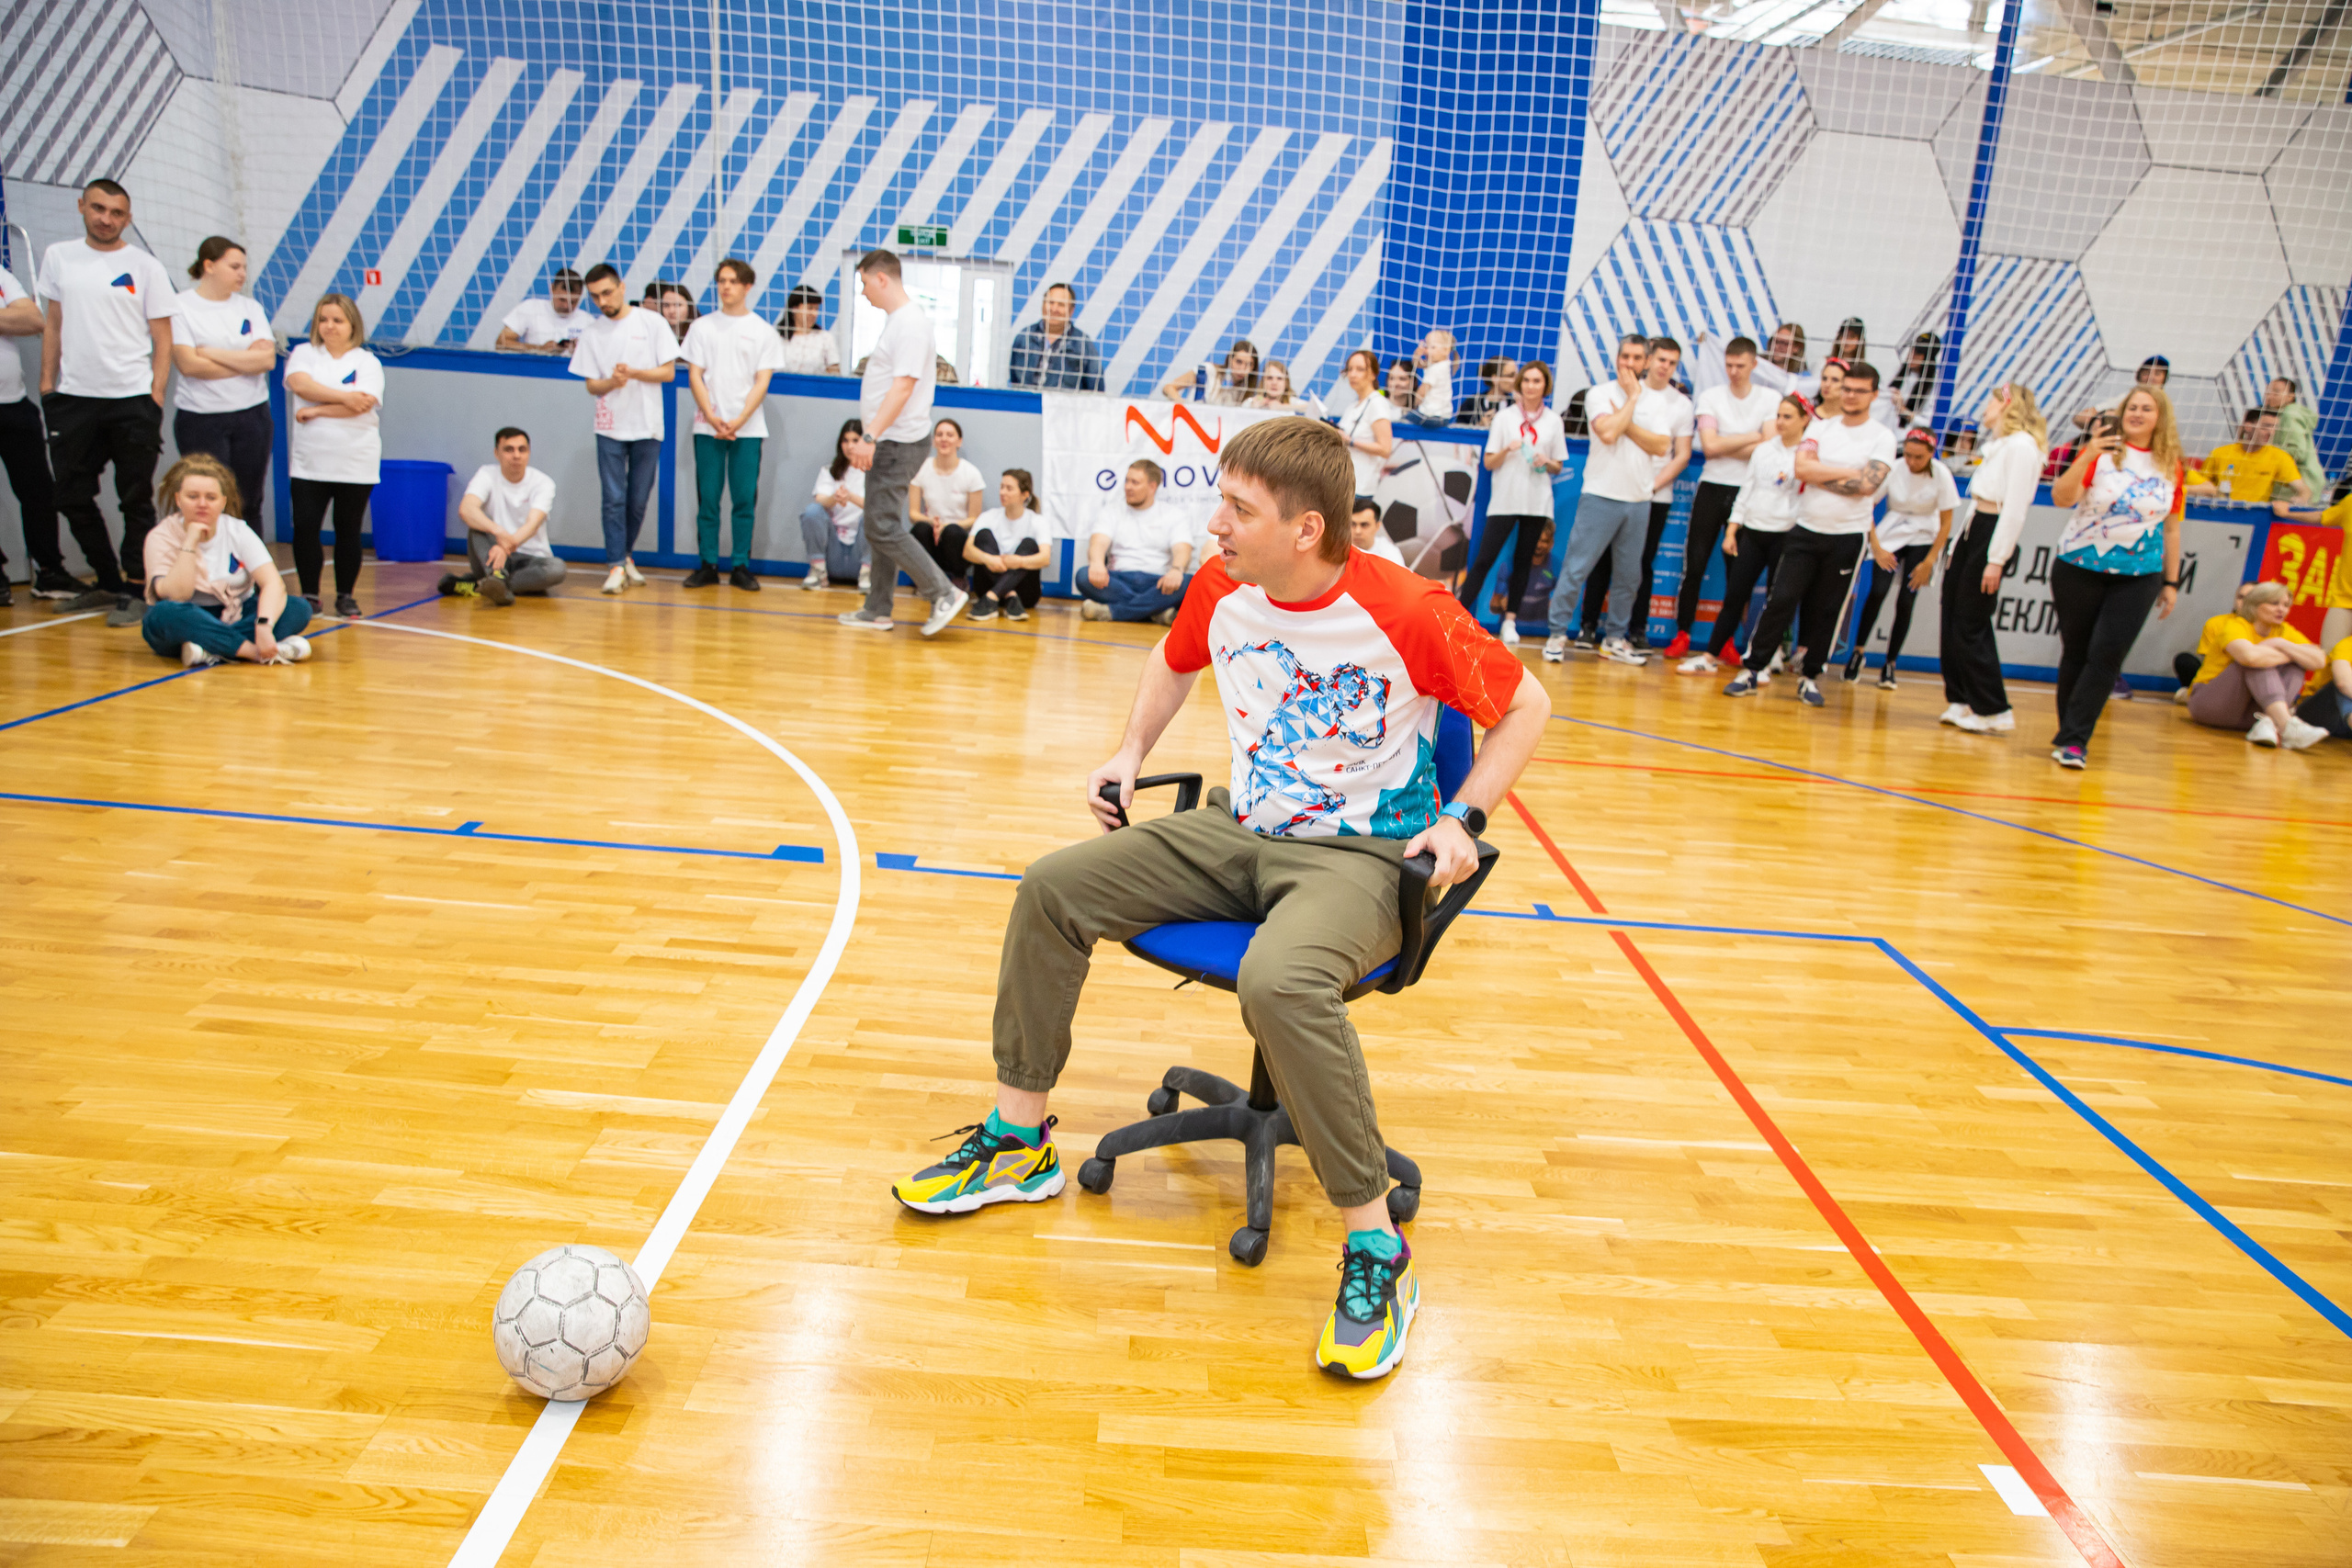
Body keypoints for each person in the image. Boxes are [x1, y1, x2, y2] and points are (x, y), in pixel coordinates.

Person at [888, 417, 1550, 1381]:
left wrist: (1464, 818)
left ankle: (1375, 1248)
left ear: (1308, 531)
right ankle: (1019, 1141)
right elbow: (1172, 660)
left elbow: (1524, 705)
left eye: (1237, 509)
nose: (1216, 523)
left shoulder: (1405, 607)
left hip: (1359, 855)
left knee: (1277, 983)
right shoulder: (1224, 582)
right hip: (1241, 829)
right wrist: (1128, 755)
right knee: (1051, 888)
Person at [38, 177, 175, 624]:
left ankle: (136, 587)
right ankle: (107, 582)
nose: (106, 219)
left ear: (127, 219)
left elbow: (162, 335)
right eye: (98, 209)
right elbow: (53, 322)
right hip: (73, 399)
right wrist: (47, 384)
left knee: (134, 498)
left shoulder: (145, 266)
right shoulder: (59, 256)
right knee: (70, 494)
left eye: (116, 213)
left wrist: (155, 394)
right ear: (82, 207)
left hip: (132, 399)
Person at [1723, 361, 1895, 707]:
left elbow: (1868, 485)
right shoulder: (1822, 428)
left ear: (1874, 395)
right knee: (1781, 600)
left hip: (1848, 536)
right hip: (1805, 529)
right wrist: (1848, 473)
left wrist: (1823, 474)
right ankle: (1752, 670)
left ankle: (1810, 676)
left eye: (1860, 391)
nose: (1851, 395)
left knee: (1828, 609)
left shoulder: (1883, 436)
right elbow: (1802, 469)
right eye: (1847, 388)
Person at [2043, 384, 2187, 769]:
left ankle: (2075, 740)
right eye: (2132, 407)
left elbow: (2172, 528)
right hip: (2078, 566)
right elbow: (2062, 497)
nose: (2137, 413)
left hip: (2140, 575)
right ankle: (2069, 733)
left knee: (2107, 654)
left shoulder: (2171, 464)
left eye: (2147, 408)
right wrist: (2089, 452)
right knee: (2076, 652)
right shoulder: (2100, 453)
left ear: (2161, 418)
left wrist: (2171, 583)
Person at [837, 249, 967, 637]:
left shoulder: (910, 324)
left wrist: (870, 436)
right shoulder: (900, 323)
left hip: (895, 441)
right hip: (890, 440)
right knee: (883, 523)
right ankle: (877, 608)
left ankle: (942, 592)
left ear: (881, 279)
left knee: (880, 526)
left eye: (863, 283)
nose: (862, 293)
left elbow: (903, 387)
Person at [1544, 334, 1669, 668]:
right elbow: (1608, 433)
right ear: (1616, 359)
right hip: (1600, 494)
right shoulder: (1599, 394)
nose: (1629, 363)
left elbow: (1660, 447)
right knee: (1576, 568)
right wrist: (1631, 401)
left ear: (1646, 362)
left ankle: (1614, 638)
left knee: (1629, 577)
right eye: (1624, 356)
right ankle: (1556, 634)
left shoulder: (1658, 402)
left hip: (1640, 499)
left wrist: (1625, 419)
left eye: (1636, 357)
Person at [1939, 382, 2045, 735]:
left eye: (1990, 400)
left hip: (1992, 531)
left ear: (2006, 404)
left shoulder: (2022, 447)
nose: (1983, 407)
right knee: (1953, 615)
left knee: (1971, 622)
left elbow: (2015, 509)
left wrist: (1996, 558)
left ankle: (1994, 708)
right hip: (1976, 527)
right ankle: (1962, 698)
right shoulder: (2000, 446)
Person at [139, 452, 311, 666]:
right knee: (164, 614)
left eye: (211, 498)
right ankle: (249, 651)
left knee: (298, 608)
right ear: (178, 499)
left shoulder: (236, 530)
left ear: (223, 502)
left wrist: (264, 626)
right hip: (187, 618)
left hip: (235, 612)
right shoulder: (160, 536)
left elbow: (272, 583)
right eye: (193, 497)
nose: (202, 504)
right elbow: (176, 595)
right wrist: (190, 542)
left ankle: (209, 650)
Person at [569, 262, 678, 596]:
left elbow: (668, 373)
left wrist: (633, 374)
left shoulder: (652, 323)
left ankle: (626, 554)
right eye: (595, 296)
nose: (602, 301)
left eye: (607, 292)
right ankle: (616, 563)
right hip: (609, 426)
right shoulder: (592, 333)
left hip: (647, 425)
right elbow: (591, 385)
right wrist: (611, 382)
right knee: (613, 499)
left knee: (637, 500)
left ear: (622, 288)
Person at [1678, 393, 1807, 676]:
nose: (1781, 422)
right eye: (1779, 416)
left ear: (1804, 420)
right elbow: (1746, 490)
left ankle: (1767, 657)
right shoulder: (1764, 449)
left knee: (1778, 600)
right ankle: (1710, 656)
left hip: (1786, 535)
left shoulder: (1807, 455)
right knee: (1735, 595)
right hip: (1753, 531)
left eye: (1788, 417)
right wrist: (1733, 530)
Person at [679, 256, 785, 592]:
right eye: (721, 281)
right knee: (708, 499)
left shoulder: (763, 331)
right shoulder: (702, 327)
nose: (725, 287)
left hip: (748, 430)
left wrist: (739, 419)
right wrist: (711, 415)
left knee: (743, 500)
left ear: (747, 286)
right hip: (707, 425)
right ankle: (707, 564)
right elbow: (694, 374)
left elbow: (762, 381)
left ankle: (741, 565)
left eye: (732, 281)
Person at [1669, 334, 1777, 660]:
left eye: (1740, 365)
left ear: (1754, 364)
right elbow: (1710, 447)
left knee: (1738, 573)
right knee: (1696, 563)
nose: (1733, 371)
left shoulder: (1770, 398)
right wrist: (1754, 437)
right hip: (1712, 487)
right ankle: (1683, 634)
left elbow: (1770, 445)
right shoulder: (1712, 397)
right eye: (1729, 365)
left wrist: (1735, 442)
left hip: (1748, 491)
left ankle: (1727, 640)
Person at [1580, 335, 1691, 651]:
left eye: (1672, 363)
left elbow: (1674, 452)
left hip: (1652, 494)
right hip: (1615, 489)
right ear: (1649, 361)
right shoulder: (1616, 394)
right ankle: (1589, 625)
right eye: (1661, 360)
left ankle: (1635, 628)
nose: (1665, 367)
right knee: (1599, 560)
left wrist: (1652, 486)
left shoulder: (1678, 404)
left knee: (1640, 565)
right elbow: (1609, 432)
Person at [169, 237, 276, 547]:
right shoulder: (180, 307)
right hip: (201, 418)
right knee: (208, 501)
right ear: (209, 266)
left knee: (248, 500)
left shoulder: (250, 307)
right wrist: (245, 362)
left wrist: (212, 353)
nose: (242, 273)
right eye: (234, 266)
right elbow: (189, 365)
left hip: (252, 416)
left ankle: (251, 577)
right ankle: (209, 574)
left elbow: (266, 360)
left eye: (244, 267)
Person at [282, 293, 383, 618]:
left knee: (348, 529)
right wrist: (343, 399)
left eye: (337, 320)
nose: (329, 326)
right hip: (310, 462)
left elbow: (363, 405)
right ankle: (310, 594)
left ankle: (345, 596)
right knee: (306, 527)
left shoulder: (367, 362)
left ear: (352, 324)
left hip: (355, 461)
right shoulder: (303, 354)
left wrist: (316, 411)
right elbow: (301, 385)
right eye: (323, 319)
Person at [1461, 361, 1564, 649]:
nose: (1532, 386)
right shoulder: (1504, 418)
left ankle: (1510, 621)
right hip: (1505, 500)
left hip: (1536, 502)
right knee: (1484, 559)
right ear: (1520, 384)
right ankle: (1456, 614)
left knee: (1524, 562)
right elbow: (1489, 462)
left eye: (1537, 381)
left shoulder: (1553, 421)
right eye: (1527, 380)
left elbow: (1558, 466)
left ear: (1545, 386)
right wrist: (1508, 448)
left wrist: (1547, 461)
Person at [1845, 428, 1955, 688]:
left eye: (1918, 457)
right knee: (1877, 592)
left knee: (1907, 601)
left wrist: (1929, 561)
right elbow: (1867, 506)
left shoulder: (1941, 474)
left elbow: (1946, 522)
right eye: (1907, 455)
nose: (1912, 462)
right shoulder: (1893, 469)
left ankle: (1890, 664)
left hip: (1923, 537)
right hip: (1891, 534)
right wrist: (1877, 547)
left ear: (1931, 453)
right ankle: (1858, 653)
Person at [2179, 581, 2327, 748]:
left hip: (2251, 715)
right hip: (2209, 706)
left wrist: (2280, 643)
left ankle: (2270, 722)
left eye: (2286, 605)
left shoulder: (2283, 631)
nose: (2282, 609)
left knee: (2296, 665)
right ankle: (2287, 725)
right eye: (2274, 603)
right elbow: (2249, 657)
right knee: (2256, 663)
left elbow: (2319, 660)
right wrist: (2291, 654)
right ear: (2255, 604)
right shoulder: (2236, 625)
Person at [0, 254, 62, 606]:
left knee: (39, 491)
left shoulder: (1, 275)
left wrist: (14, 318)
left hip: (14, 403)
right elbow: (14, 317)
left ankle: (51, 571)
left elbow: (32, 319)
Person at [444, 426, 565, 605]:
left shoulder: (543, 482)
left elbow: (532, 525)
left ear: (528, 453)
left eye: (522, 450)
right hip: (491, 557)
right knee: (477, 527)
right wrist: (499, 532)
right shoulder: (486, 474)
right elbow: (466, 509)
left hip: (530, 559)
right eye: (509, 449)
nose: (516, 455)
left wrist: (505, 547)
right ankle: (495, 578)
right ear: (496, 453)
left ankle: (486, 585)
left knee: (557, 569)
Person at [1078, 459, 1191, 624]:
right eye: (1127, 481)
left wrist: (1177, 569)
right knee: (1083, 576)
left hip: (1158, 583)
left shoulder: (1173, 515)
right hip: (1118, 580)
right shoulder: (1112, 511)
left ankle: (1113, 612)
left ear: (1153, 487)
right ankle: (1156, 612)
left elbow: (1183, 548)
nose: (1128, 487)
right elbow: (1098, 542)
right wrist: (1096, 563)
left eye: (1135, 482)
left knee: (1189, 582)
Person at [2269, 486, 2352, 654]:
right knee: (2328, 657)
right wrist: (2287, 514)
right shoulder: (2350, 503)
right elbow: (2323, 516)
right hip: (2344, 600)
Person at [965, 469, 1050, 622]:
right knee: (983, 534)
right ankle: (1009, 595)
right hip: (986, 586)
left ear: (1024, 494)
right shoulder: (988, 517)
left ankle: (992, 597)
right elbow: (967, 551)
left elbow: (1045, 558)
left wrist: (1019, 561)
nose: (1002, 492)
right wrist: (988, 559)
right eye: (1001, 487)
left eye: (1009, 489)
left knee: (1029, 544)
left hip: (1025, 595)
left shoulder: (1037, 521)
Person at [910, 416, 986, 587]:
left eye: (950, 435)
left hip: (956, 541)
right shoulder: (921, 468)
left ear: (959, 441)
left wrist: (945, 526)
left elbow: (975, 518)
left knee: (952, 531)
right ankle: (927, 581)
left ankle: (959, 578)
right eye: (939, 434)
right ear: (933, 441)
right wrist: (933, 522)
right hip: (931, 535)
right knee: (921, 529)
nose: (944, 439)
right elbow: (913, 514)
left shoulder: (971, 473)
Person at [800, 417, 868, 592]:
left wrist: (851, 497)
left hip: (859, 552)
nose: (850, 446)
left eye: (855, 440)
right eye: (845, 441)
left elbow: (877, 506)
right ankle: (818, 570)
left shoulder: (873, 473)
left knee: (874, 517)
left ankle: (867, 574)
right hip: (833, 549)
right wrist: (835, 498)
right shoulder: (829, 471)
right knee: (812, 511)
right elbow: (820, 500)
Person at [2194, 407, 2307, 505]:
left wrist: (2300, 499)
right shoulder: (2220, 454)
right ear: (2248, 427)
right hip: (2220, 511)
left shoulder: (2280, 457)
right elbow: (2202, 486)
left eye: (2274, 428)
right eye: (2266, 427)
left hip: (2254, 515)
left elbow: (2303, 490)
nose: (2271, 432)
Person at [1007, 281, 1102, 391]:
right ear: (1043, 304)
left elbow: (1096, 389)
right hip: (1027, 406)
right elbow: (1014, 379)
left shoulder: (1083, 344)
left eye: (1061, 305)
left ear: (1071, 310)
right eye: (1050, 302)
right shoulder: (1024, 337)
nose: (1054, 309)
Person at [1334, 348, 1395, 500]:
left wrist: (1351, 441)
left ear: (1373, 374)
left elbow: (1385, 449)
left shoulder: (1377, 404)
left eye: (1360, 369)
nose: (1353, 374)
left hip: (1361, 486)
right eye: (1350, 369)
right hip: (1344, 483)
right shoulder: (1352, 406)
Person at [2072, 355, 2168, 434]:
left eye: (2157, 373)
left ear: (2164, 379)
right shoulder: (2125, 398)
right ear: (2138, 376)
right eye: (2146, 373)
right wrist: (2106, 423)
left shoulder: (2167, 406)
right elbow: (2079, 418)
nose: (2151, 377)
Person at [494, 268, 583, 353]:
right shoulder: (531, 308)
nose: (566, 306)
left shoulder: (587, 321)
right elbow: (501, 343)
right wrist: (539, 349)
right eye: (562, 300)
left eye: (572, 302)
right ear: (552, 288)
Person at [2264, 377, 2321, 489]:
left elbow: (2298, 452)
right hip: (2296, 483)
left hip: (2300, 484)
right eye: (2268, 391)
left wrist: (2265, 452)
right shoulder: (2280, 415)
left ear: (2291, 397)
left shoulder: (2290, 415)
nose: (2269, 395)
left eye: (2276, 392)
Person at [2295, 629, 2352, 740]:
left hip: (2343, 725)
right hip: (2315, 713)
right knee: (2342, 684)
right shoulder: (2346, 645)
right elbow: (2343, 683)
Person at [772, 282, 839, 376]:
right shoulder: (778, 338)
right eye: (810, 308)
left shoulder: (825, 338)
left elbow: (835, 373)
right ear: (794, 308)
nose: (814, 314)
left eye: (816, 309)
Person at [1163, 338, 1258, 404]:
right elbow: (1169, 388)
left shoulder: (1248, 391)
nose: (1242, 369)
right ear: (1230, 359)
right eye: (1239, 362)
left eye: (1249, 364)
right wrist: (1184, 406)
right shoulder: (1207, 371)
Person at [1401, 327, 1456, 426]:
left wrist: (1414, 404)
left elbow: (1423, 390)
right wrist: (1417, 354)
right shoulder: (1443, 364)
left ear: (1446, 350)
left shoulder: (1436, 369)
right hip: (1445, 416)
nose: (1427, 351)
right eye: (1426, 347)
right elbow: (1418, 364)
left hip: (1432, 416)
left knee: (1404, 419)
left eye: (1433, 347)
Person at [1351, 494, 1404, 565]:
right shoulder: (1337, 549)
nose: (1358, 531)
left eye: (1364, 525)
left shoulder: (1389, 554)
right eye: (1353, 524)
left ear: (1377, 526)